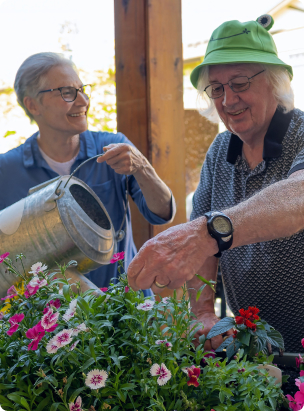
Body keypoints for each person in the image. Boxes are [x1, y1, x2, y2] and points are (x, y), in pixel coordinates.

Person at [127, 14, 304, 353]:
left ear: (276, 82)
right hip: (253, 346)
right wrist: (203, 312)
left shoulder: (300, 132)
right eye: (217, 88)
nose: (227, 100)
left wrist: (209, 232)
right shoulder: (221, 149)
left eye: (239, 83)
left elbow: (299, 198)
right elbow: (204, 242)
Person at [0, 52, 176, 297]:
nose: (82, 100)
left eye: (82, 90)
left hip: (126, 315)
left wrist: (142, 168)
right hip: (50, 328)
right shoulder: (6, 169)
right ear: (32, 105)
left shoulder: (113, 147)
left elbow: (161, 213)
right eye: (67, 92)